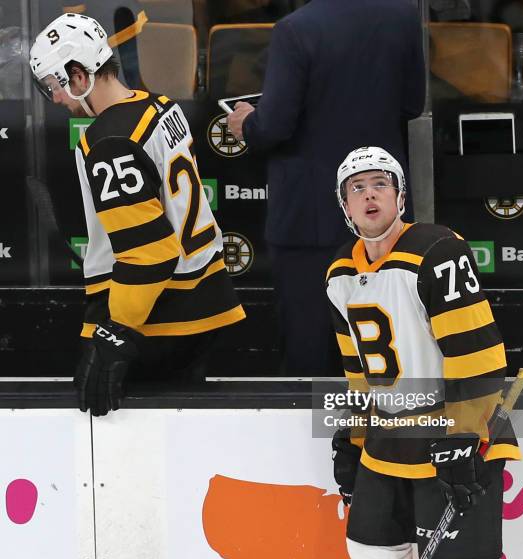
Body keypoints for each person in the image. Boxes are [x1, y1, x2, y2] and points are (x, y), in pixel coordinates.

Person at [326, 147, 521, 559]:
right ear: (344, 204)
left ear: (400, 197)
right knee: (373, 558)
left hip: (454, 435)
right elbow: (357, 372)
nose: (370, 195)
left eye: (380, 185)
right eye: (357, 188)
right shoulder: (339, 273)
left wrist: (465, 436)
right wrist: (353, 437)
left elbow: (476, 353)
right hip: (387, 438)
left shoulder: (437, 250)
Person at [29, 13, 245, 416]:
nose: (56, 99)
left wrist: (115, 331)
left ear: (78, 74)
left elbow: (149, 252)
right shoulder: (161, 106)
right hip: (204, 309)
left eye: (54, 85)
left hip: (155, 321)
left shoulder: (107, 139)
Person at [227, 0, 425, 376]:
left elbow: (274, 126)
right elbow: (412, 104)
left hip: (310, 221)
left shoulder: (296, 29)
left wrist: (247, 123)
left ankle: (318, 436)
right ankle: (378, 432)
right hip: (382, 217)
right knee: (384, 350)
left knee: (311, 353)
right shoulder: (403, 16)